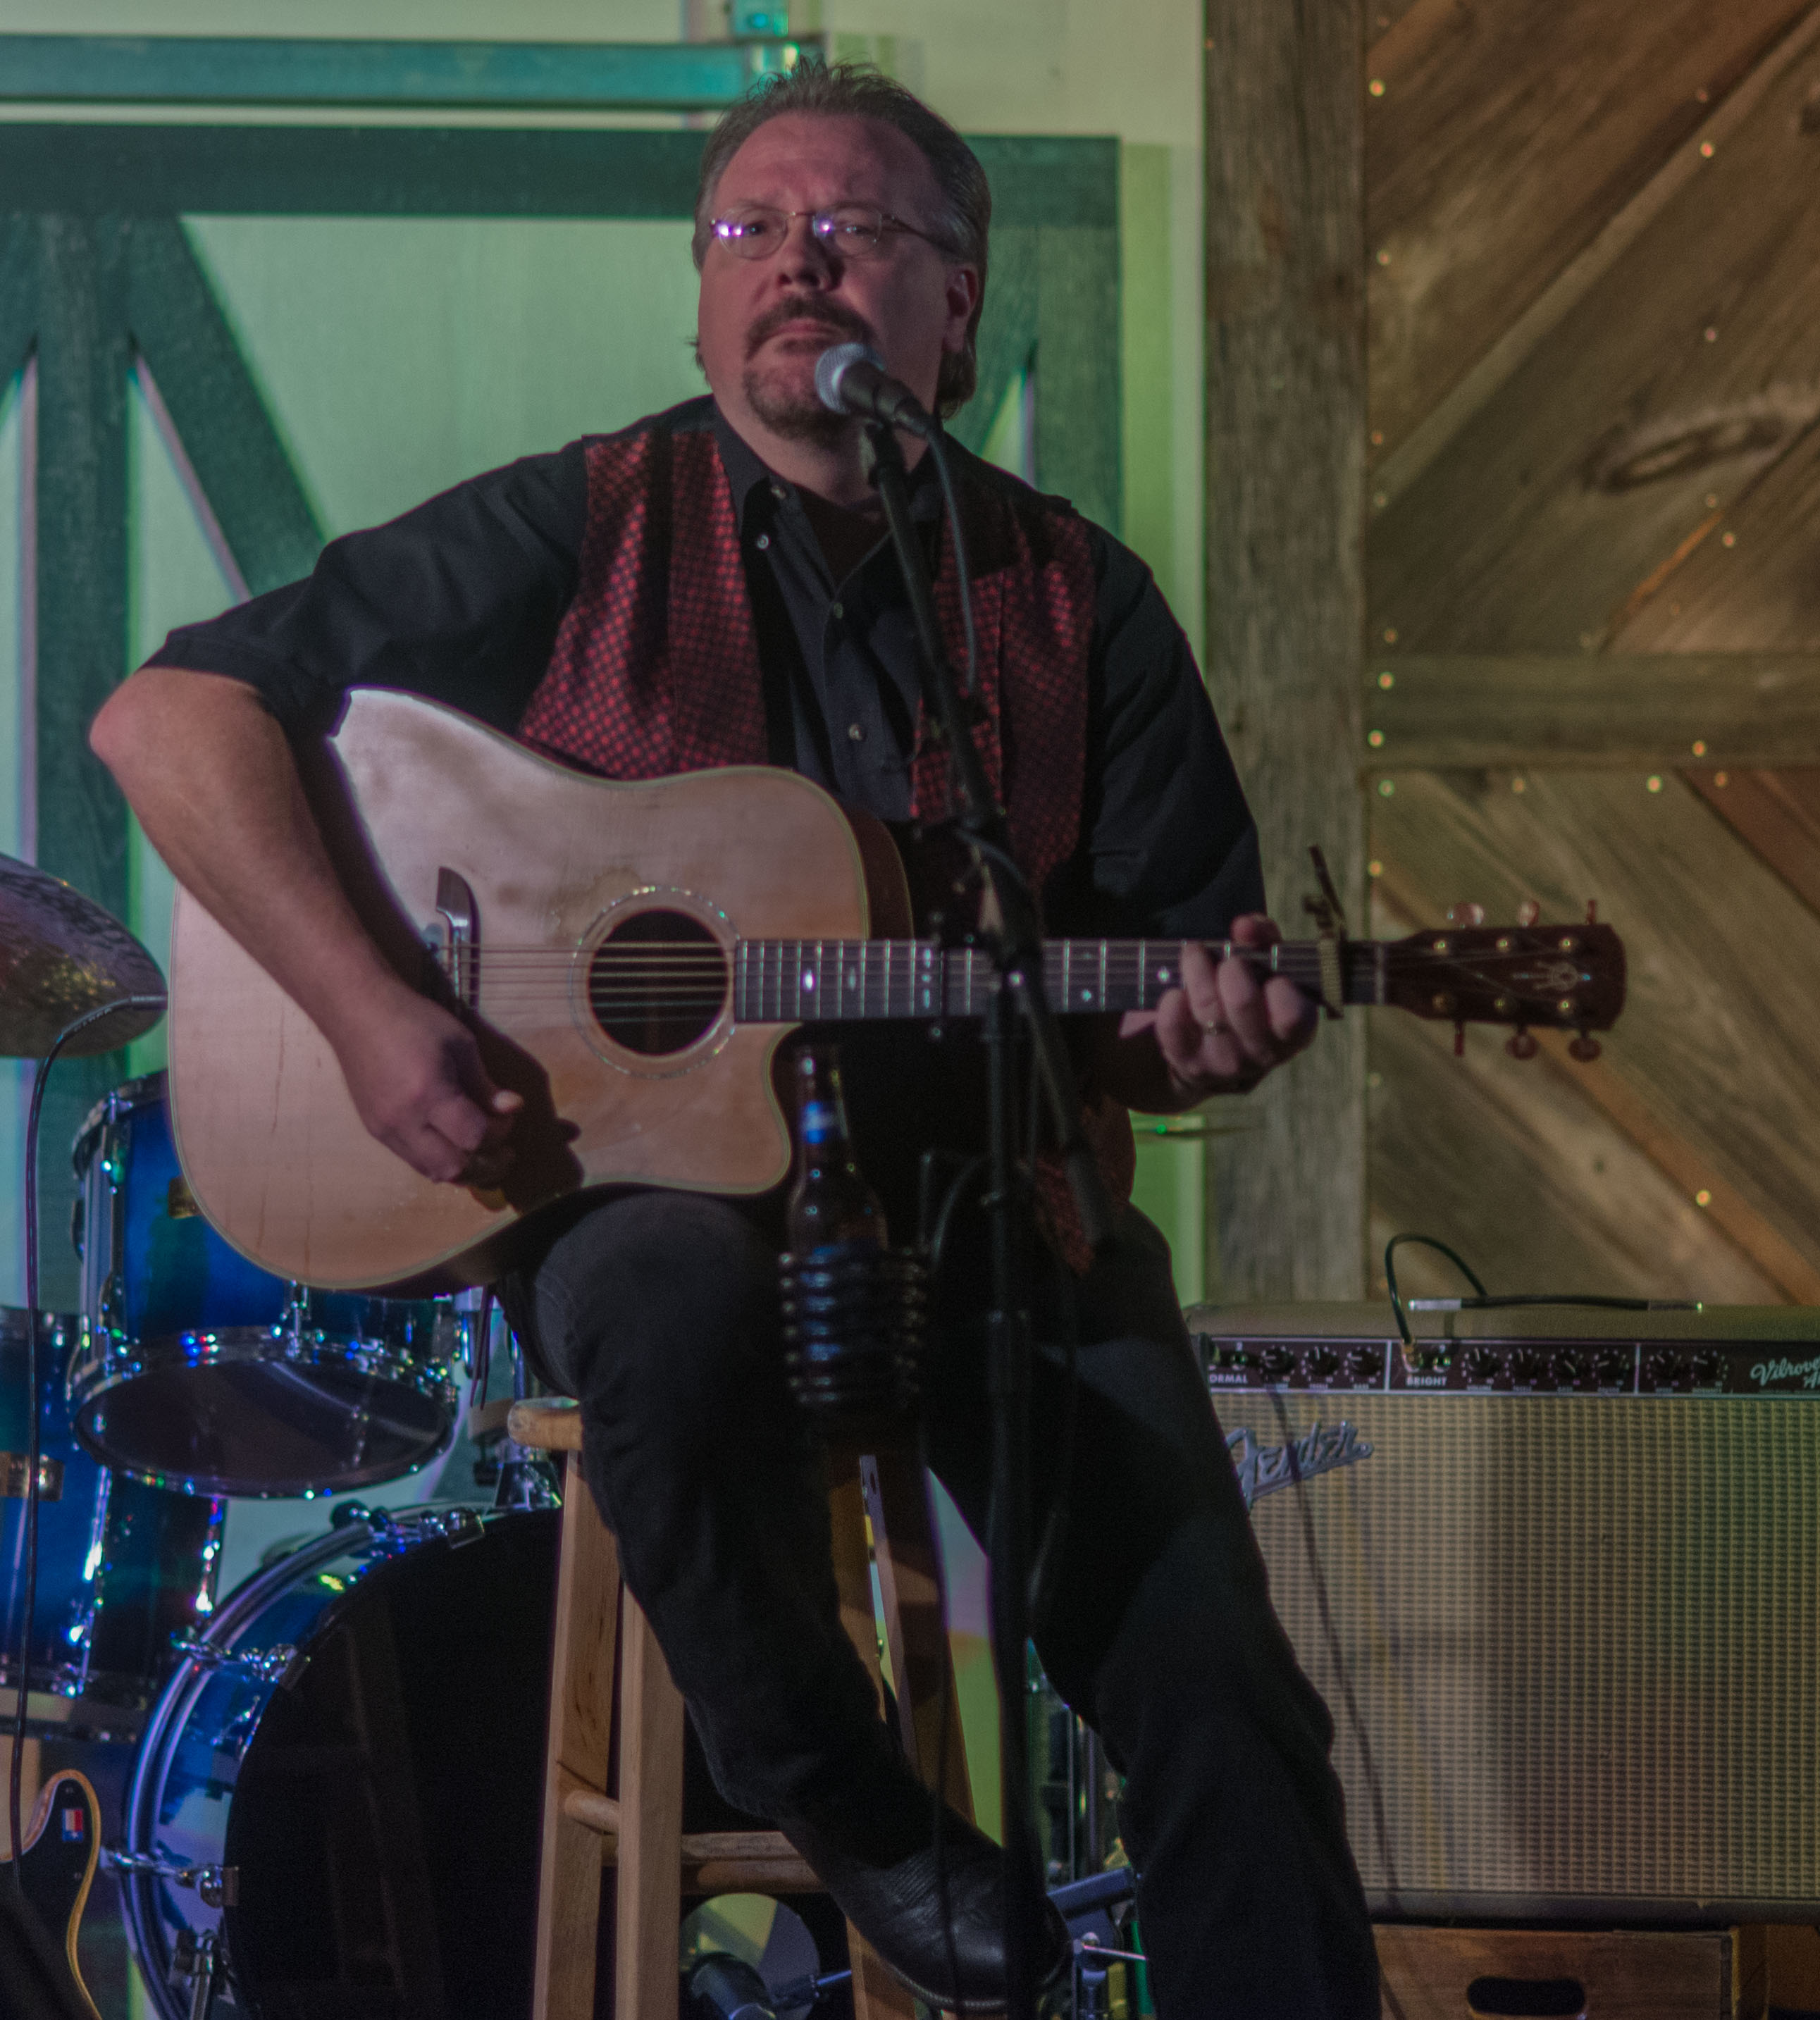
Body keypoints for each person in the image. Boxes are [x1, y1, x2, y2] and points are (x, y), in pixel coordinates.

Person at [89, 65, 1378, 2016]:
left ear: (955, 303)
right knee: (667, 1312)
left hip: (988, 1201)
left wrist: (1194, 1041)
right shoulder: (581, 523)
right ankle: (837, 1795)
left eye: (851, 229)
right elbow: (167, 721)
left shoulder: (1073, 603)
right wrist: (366, 1012)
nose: (796, 263)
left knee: (1217, 1674)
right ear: (701, 298)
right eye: (747, 230)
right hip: (641, 1199)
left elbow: (1151, 991)